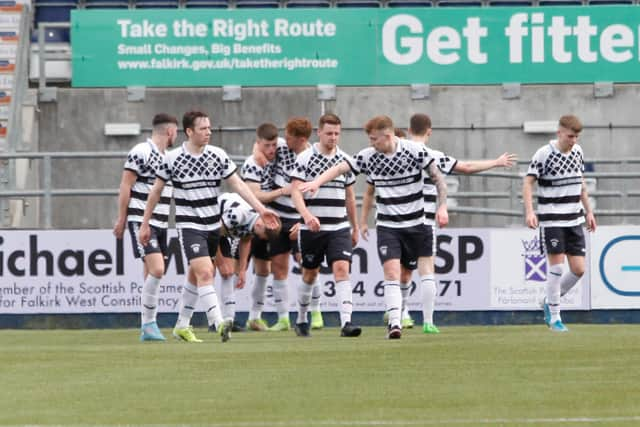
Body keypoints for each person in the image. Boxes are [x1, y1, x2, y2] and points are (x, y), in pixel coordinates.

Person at [362, 113, 517, 333]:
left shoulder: (393, 153)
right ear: (429, 130)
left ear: (407, 129)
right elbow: (465, 167)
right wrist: (496, 162)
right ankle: (426, 320)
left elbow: (369, 190)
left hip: (394, 220)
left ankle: (400, 314)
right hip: (422, 218)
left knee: (399, 271)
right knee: (425, 270)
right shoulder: (429, 154)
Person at [301, 115, 448, 339]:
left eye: (374, 139)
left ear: (387, 136)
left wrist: (443, 206)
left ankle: (425, 319)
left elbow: (438, 178)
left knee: (415, 273)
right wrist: (317, 182)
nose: (371, 143)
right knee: (391, 272)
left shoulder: (415, 151)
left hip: (416, 224)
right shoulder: (368, 156)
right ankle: (395, 324)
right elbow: (341, 168)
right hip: (388, 226)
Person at [139, 110, 279, 343]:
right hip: (189, 225)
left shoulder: (218, 155)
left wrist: (261, 209)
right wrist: (145, 223)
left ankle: (182, 325)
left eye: (210, 128)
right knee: (206, 273)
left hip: (214, 226)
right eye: (203, 129)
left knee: (196, 277)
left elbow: (239, 185)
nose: (208, 132)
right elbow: (155, 192)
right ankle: (218, 321)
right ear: (189, 131)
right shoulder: (172, 158)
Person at [289, 113, 362, 338]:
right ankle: (301, 318)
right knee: (310, 274)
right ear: (318, 133)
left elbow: (350, 196)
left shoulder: (345, 160)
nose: (333, 137)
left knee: (342, 269)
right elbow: (295, 192)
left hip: (338, 227)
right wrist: (306, 216)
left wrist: (355, 226)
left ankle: (346, 323)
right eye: (329, 133)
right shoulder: (305, 158)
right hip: (312, 228)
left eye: (337, 133)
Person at [523, 114, 596, 332]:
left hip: (574, 218)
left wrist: (589, 211)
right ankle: (555, 317)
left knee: (579, 269)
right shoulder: (544, 154)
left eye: (577, 137)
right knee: (556, 267)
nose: (574, 140)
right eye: (570, 136)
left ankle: (548, 301)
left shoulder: (578, 152)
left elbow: (581, 183)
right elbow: (527, 183)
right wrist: (529, 211)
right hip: (552, 218)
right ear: (559, 133)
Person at [113, 113, 179, 342]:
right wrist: (122, 219)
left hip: (161, 222)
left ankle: (147, 326)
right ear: (170, 131)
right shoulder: (141, 151)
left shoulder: (169, 157)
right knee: (158, 269)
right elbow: (125, 186)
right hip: (141, 221)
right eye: (176, 132)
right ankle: (150, 323)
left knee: (151, 273)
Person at [253, 117, 315, 332]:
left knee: (308, 264)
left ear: (301, 139)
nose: (283, 140)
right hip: (278, 217)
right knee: (278, 267)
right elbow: (262, 141)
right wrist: (257, 153)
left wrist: (305, 218)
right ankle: (283, 318)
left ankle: (314, 314)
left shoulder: (313, 156)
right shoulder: (281, 148)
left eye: (288, 137)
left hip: (301, 218)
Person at [212, 192, 282, 333]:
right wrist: (219, 262)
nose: (262, 239)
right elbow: (212, 235)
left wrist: (243, 270)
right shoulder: (238, 215)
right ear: (260, 225)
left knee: (229, 273)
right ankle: (213, 320)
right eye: (263, 236)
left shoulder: (254, 222)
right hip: (207, 228)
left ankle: (228, 320)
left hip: (221, 233)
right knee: (208, 272)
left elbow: (246, 240)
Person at [240, 123, 281, 331]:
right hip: (250, 222)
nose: (272, 149)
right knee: (233, 268)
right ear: (258, 144)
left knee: (265, 269)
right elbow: (254, 195)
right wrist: (282, 192)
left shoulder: (280, 150)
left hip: (269, 224)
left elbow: (306, 147)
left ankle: (254, 316)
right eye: (267, 145)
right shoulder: (250, 164)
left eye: (274, 144)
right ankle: (223, 316)